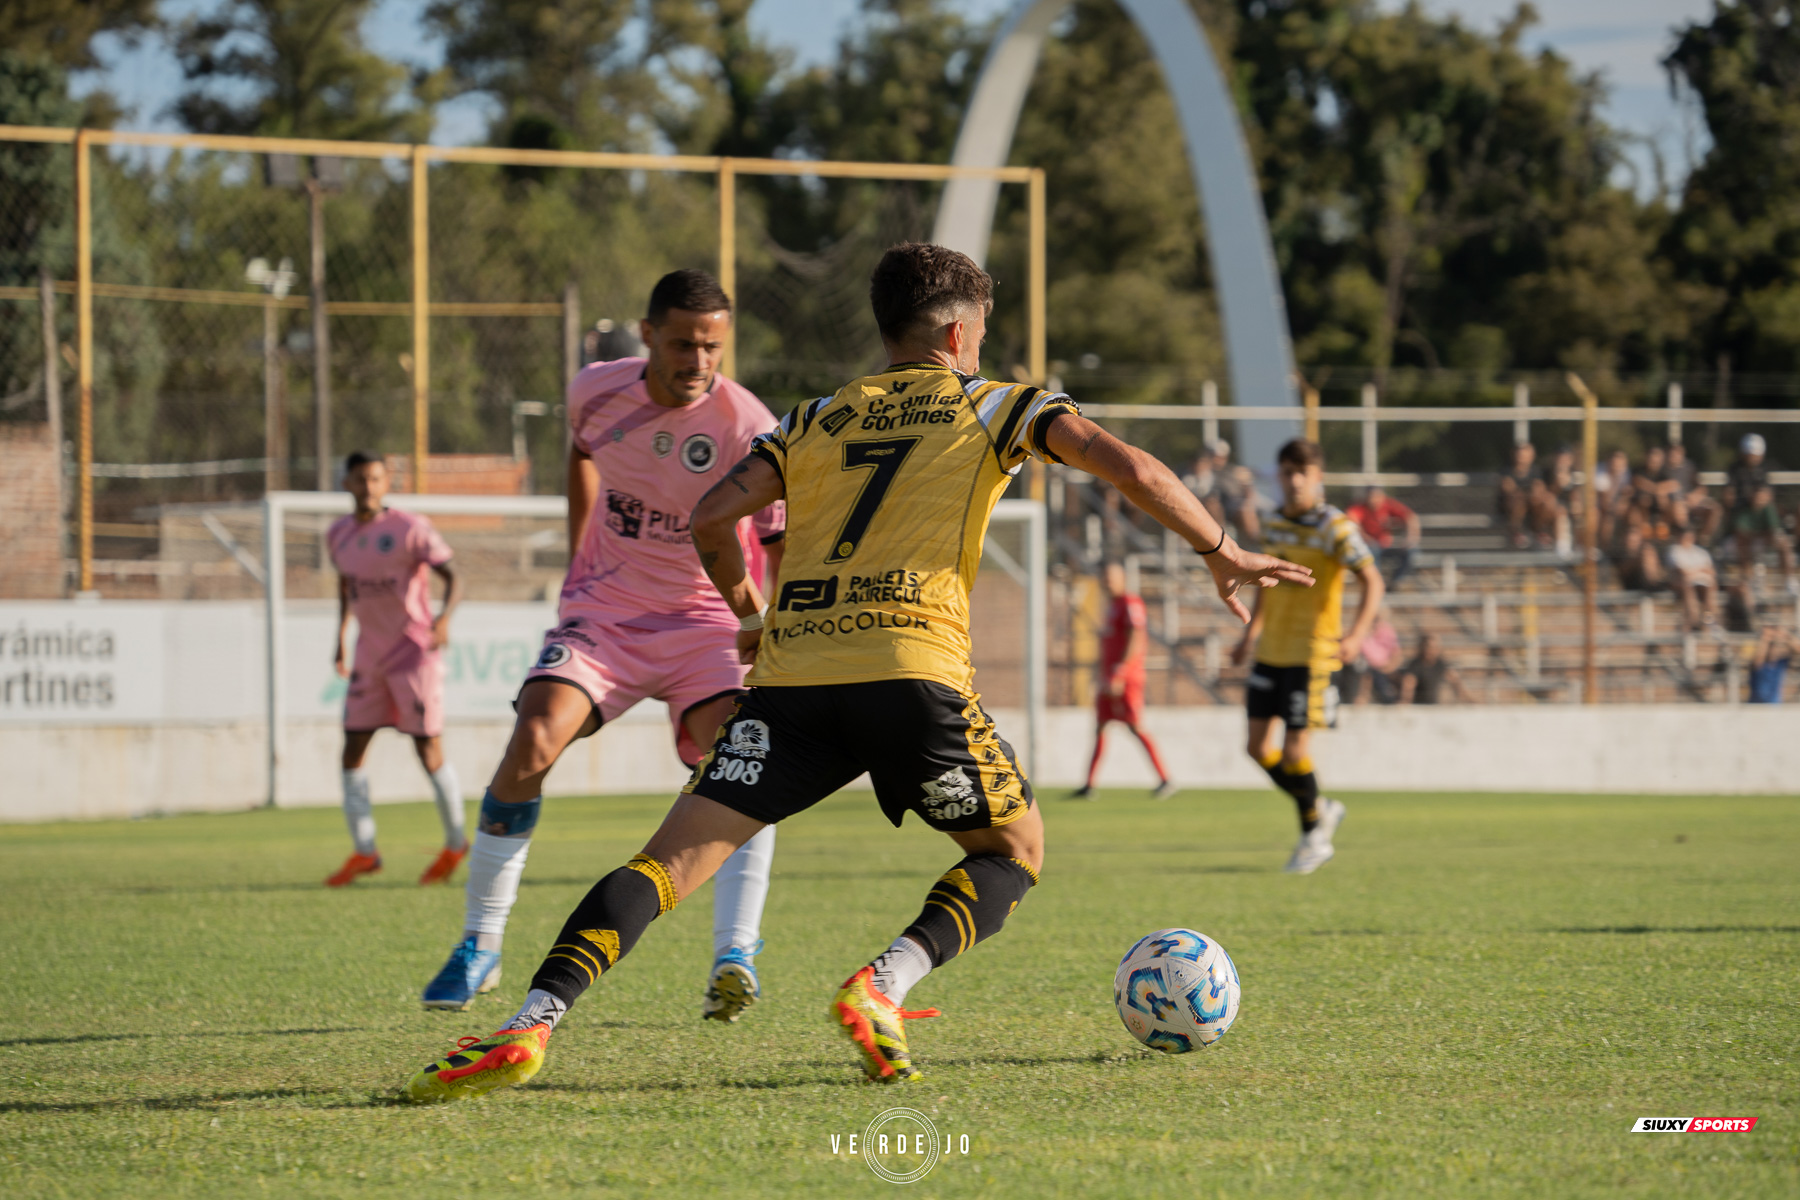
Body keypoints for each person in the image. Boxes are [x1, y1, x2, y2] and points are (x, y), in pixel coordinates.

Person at [400, 242, 1313, 1102]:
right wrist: (1221, 546)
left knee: (668, 863)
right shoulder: (996, 403)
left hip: (794, 680)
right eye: (981, 332)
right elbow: (1126, 463)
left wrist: (752, 620)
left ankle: (531, 1021)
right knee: (1015, 850)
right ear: (959, 335)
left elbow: (711, 518)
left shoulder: (813, 417)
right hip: (911, 673)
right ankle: (883, 983)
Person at [414, 270, 788, 1022]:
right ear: (648, 335)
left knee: (744, 760)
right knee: (532, 742)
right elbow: (583, 454)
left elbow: (780, 537)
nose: (698, 361)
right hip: (608, 614)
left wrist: (769, 625)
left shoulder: (750, 425)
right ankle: (479, 945)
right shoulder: (595, 390)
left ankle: (734, 953)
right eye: (682, 344)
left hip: (710, 622)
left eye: (712, 347)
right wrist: (581, 550)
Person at [1229, 439, 1383, 875]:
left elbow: (1372, 580)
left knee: (1296, 751)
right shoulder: (1274, 523)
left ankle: (1312, 834)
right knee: (1257, 749)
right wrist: (1250, 636)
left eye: (1303, 472)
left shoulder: (1336, 528)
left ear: (1318, 477)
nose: (1295, 481)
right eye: (1287, 472)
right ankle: (1319, 806)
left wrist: (1356, 635)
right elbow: (1266, 582)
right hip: (1271, 651)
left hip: (1312, 654)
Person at [323, 451, 466, 888]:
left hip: (413, 653)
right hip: (369, 655)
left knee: (427, 750)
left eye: (376, 478)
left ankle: (456, 843)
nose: (368, 486)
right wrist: (341, 638)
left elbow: (454, 577)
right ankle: (365, 852)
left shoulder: (409, 528)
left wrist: (443, 620)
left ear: (387, 484)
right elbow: (347, 588)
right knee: (352, 750)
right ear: (346, 482)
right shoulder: (338, 535)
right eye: (360, 478)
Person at [1073, 561, 1176, 800]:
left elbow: (1136, 637)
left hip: (1125, 679)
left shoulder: (1130, 602)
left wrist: (1119, 673)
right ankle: (1088, 785)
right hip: (1108, 677)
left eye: (1111, 576)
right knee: (1100, 728)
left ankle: (1165, 780)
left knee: (1136, 727)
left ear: (1122, 578)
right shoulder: (1112, 606)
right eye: (1104, 577)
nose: (1107, 581)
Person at [1345, 485, 1420, 587]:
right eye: (1371, 496)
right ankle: (1376, 584)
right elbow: (1352, 522)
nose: (1374, 500)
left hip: (1386, 547)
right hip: (1369, 548)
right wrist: (1367, 538)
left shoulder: (1387, 504)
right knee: (1372, 550)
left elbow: (1411, 517)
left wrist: (1410, 539)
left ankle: (1394, 582)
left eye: (1377, 496)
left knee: (1412, 551)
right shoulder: (1360, 508)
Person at [1665, 524, 1718, 631]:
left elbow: (1711, 571)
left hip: (1702, 583)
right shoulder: (1674, 551)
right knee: (1687, 585)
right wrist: (1700, 570)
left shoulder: (1701, 552)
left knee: (1710, 586)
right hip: (1683, 584)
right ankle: (1694, 620)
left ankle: (1709, 620)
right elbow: (1682, 572)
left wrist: (1693, 571)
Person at [1397, 632, 1474, 704]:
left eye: (1435, 647)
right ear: (1422, 647)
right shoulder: (1415, 665)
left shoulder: (1440, 663)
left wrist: (1470, 700)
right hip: (1418, 708)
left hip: (1433, 707)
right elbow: (1408, 686)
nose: (1432, 650)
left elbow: (1455, 682)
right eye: (1429, 647)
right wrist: (1405, 702)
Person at [1497, 442, 1537, 548]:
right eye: (1519, 453)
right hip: (1509, 509)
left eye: (1524, 453)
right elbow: (1507, 487)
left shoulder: (1535, 472)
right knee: (1518, 499)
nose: (1521, 456)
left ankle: (1540, 533)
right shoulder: (1506, 471)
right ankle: (1517, 533)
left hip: (1532, 507)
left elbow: (1538, 490)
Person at [1749, 624, 1797, 703]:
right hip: (1756, 707)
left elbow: (1797, 650)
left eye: (1775, 645)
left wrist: (1787, 636)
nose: (1774, 649)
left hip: (1774, 706)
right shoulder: (1759, 662)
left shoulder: (1780, 663)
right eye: (1772, 646)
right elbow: (1758, 660)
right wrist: (1766, 638)